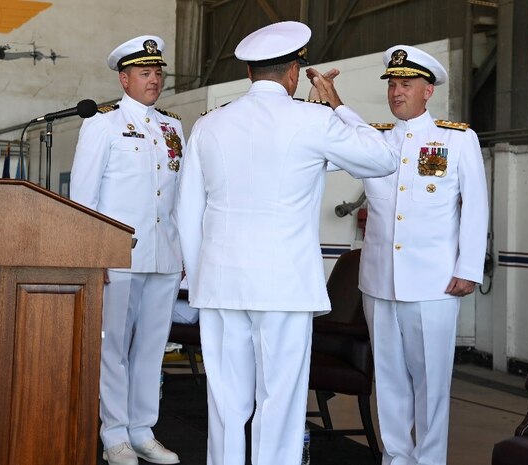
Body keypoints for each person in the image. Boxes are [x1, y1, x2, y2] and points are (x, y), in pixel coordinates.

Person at [178, 20, 398, 465]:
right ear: (295, 73)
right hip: (283, 286)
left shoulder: (208, 125)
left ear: (248, 73)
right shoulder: (313, 120)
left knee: (225, 400)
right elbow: (382, 158)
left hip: (221, 283)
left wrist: (201, 280)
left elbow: (186, 212)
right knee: (279, 400)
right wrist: (337, 105)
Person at [359, 45, 489, 465]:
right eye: (393, 84)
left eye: (407, 84)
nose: (397, 92)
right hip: (379, 282)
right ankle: (396, 457)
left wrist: (468, 267)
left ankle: (430, 461)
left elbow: (476, 206)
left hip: (435, 283)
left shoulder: (457, 138)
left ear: (428, 91)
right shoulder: (376, 139)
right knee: (390, 380)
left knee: (431, 384)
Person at [70, 35, 184, 465]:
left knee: (152, 350)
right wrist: (90, 258)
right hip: (117, 257)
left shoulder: (173, 127)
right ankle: (114, 433)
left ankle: (142, 430)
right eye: (144, 73)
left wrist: (185, 256)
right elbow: (84, 199)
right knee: (112, 348)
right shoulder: (102, 123)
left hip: (164, 256)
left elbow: (180, 197)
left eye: (158, 73)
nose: (154, 80)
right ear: (124, 78)